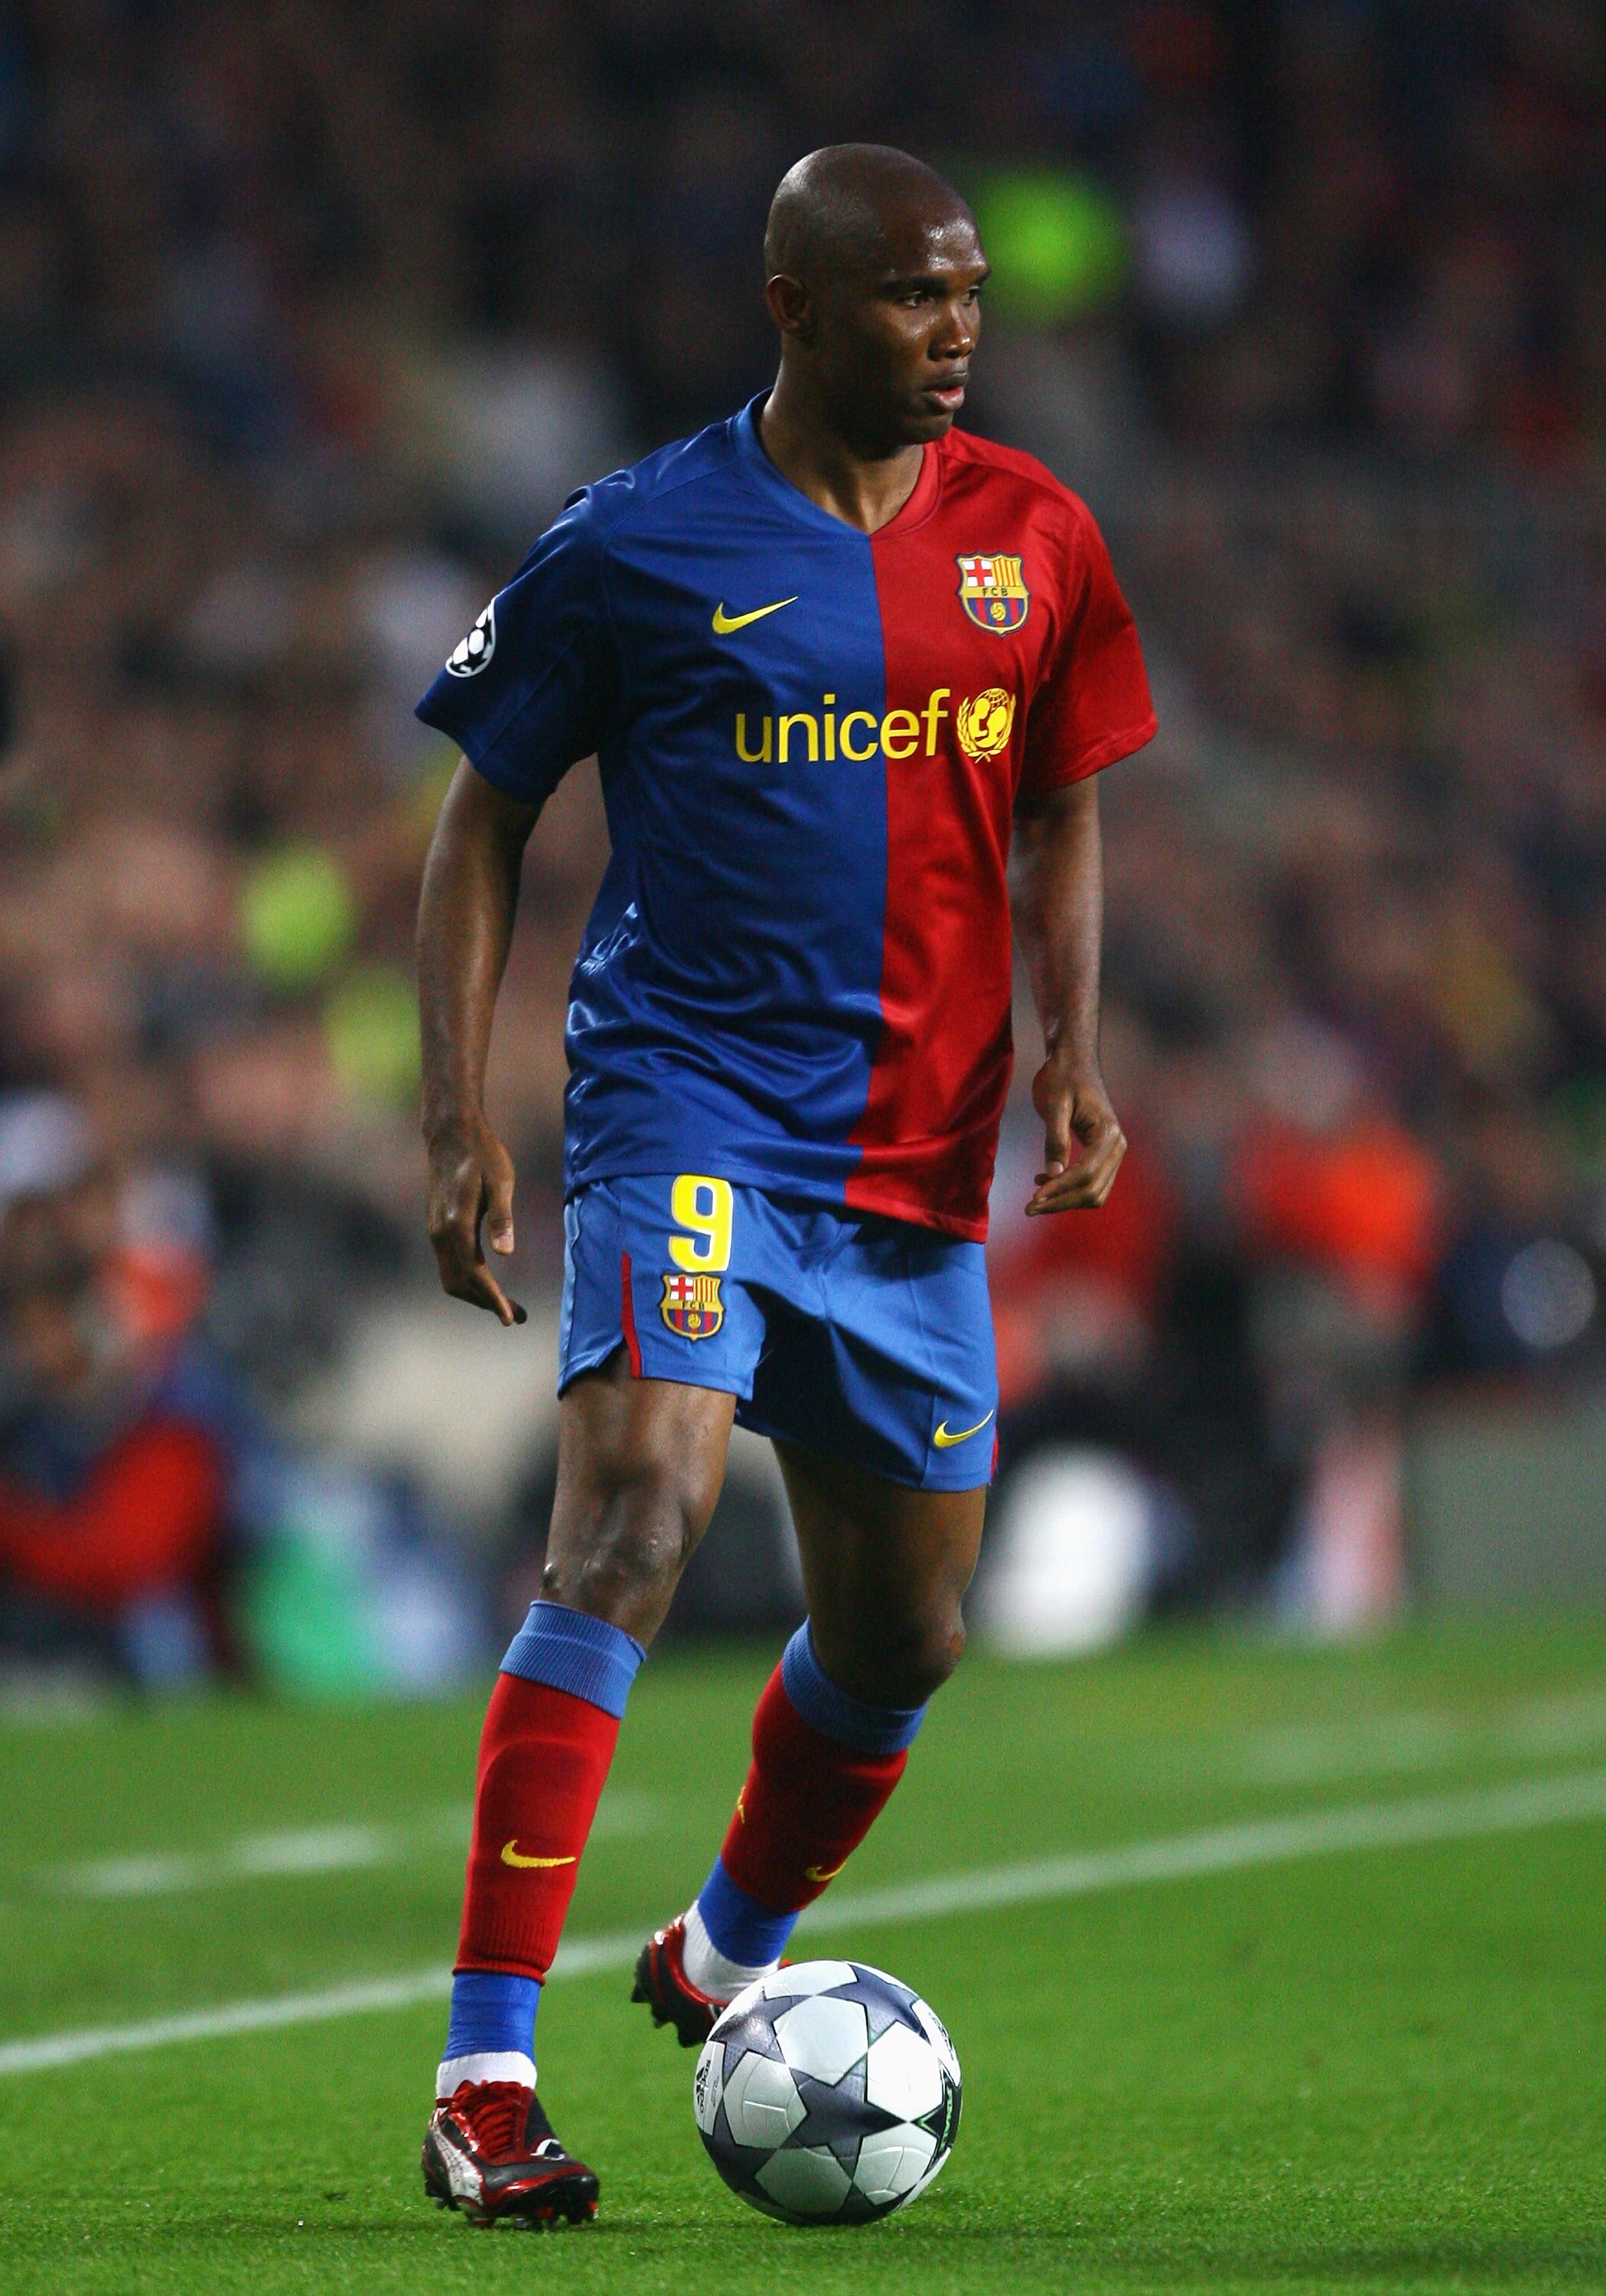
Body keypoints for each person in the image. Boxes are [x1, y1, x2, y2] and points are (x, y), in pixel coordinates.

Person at [412, 143, 1155, 2226]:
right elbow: (481, 817)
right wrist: (456, 1115)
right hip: (693, 1113)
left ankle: (722, 1945)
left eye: (969, 294)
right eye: (913, 295)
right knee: (632, 1517)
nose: (956, 332)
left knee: (904, 1636)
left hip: (914, 1159)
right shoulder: (636, 541)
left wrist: (1072, 1049)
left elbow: (1061, 804)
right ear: (793, 306)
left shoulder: (1035, 538)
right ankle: (484, 2076)